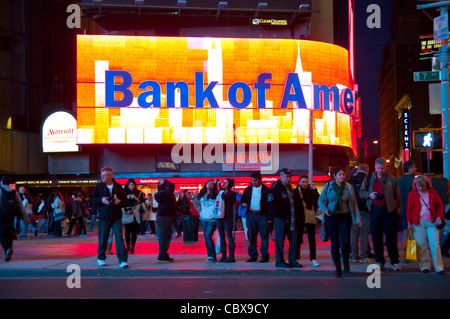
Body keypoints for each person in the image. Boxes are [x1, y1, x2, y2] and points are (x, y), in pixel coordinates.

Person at [360, 157, 402, 271]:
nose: (380, 170)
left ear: (386, 167)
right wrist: (370, 195)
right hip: (375, 210)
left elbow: (397, 195)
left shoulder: (391, 179)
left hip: (389, 211)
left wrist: (396, 206)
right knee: (376, 237)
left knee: (391, 238)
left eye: (382, 168)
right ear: (375, 167)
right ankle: (380, 261)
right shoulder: (369, 178)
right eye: (378, 168)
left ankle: (394, 261)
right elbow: (361, 192)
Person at [318, 167, 361, 277]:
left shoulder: (348, 187)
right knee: (335, 243)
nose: (342, 176)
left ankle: (345, 261)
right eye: (340, 174)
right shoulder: (329, 186)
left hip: (344, 217)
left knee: (346, 242)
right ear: (335, 176)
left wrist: (357, 217)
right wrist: (325, 210)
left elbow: (354, 204)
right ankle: (338, 268)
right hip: (331, 217)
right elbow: (321, 200)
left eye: (343, 174)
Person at [90, 166, 128, 269]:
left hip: (116, 216)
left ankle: (123, 260)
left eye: (105, 175)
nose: (102, 177)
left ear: (111, 175)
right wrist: (101, 200)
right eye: (101, 175)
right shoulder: (99, 187)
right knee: (103, 238)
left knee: (119, 238)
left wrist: (119, 201)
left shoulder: (118, 187)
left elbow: (125, 201)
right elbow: (92, 199)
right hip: (104, 216)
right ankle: (101, 258)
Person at [406, 175, 445, 274]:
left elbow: (440, 206)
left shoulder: (433, 192)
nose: (420, 188)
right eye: (419, 186)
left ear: (426, 185)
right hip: (418, 223)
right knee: (421, 245)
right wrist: (409, 223)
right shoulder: (412, 194)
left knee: (434, 244)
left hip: (432, 222)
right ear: (416, 185)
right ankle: (424, 266)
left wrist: (439, 216)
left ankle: (439, 267)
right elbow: (409, 209)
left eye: (422, 186)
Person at [267, 168, 304, 268]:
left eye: (289, 176)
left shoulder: (290, 188)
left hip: (292, 219)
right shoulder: (276, 187)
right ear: (281, 176)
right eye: (286, 176)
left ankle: (292, 260)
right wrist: (280, 214)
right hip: (281, 219)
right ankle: (279, 261)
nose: (288, 178)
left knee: (294, 239)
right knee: (280, 240)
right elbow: (271, 203)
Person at [241, 171, 270, 263]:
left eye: (255, 180)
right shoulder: (248, 189)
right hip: (251, 214)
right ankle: (253, 255)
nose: (253, 182)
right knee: (251, 236)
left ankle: (265, 256)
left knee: (264, 236)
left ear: (260, 180)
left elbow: (269, 204)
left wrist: (269, 217)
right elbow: (243, 200)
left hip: (262, 215)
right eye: (252, 180)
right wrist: (243, 204)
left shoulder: (266, 189)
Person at [0, 175, 30, 261]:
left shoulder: (1, 190)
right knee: (10, 232)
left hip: (2, 215)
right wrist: (25, 216)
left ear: (1, 182)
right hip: (12, 215)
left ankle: (7, 249)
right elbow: (20, 205)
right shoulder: (15, 192)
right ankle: (9, 249)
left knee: (1, 233)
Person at [348, 163, 372, 263]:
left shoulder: (350, 181)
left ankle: (354, 256)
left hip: (353, 210)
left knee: (354, 234)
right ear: (367, 171)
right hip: (364, 210)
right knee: (364, 234)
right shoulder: (368, 180)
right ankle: (363, 256)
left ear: (358, 170)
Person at [296, 175, 320, 267]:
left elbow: (317, 200)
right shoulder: (296, 191)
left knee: (311, 239)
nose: (304, 183)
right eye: (302, 182)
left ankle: (313, 259)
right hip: (299, 217)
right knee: (298, 239)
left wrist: (315, 190)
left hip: (309, 216)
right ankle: (296, 258)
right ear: (299, 182)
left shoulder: (312, 191)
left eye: (306, 182)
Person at [397, 160, 417, 262]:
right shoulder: (415, 180)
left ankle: (406, 256)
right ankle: (411, 254)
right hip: (414, 210)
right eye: (414, 167)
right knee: (414, 232)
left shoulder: (399, 181)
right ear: (409, 169)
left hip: (403, 209)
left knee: (406, 231)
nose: (416, 169)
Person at [154, 179, 176, 262]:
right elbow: (172, 185)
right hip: (166, 217)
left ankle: (163, 254)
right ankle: (162, 255)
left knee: (164, 237)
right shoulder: (166, 193)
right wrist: (165, 181)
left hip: (162, 217)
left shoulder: (158, 194)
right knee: (165, 237)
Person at [197, 179, 219, 263]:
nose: (209, 184)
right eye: (208, 182)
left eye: (212, 183)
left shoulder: (215, 195)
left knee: (208, 236)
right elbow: (195, 202)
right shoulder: (201, 194)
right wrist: (200, 211)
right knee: (207, 237)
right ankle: (210, 255)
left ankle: (212, 256)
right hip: (203, 219)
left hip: (212, 219)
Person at [216, 178, 237, 263]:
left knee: (229, 236)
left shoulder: (232, 193)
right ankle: (223, 255)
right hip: (219, 217)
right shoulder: (221, 192)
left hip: (227, 217)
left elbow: (224, 197)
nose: (223, 184)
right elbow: (214, 195)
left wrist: (220, 187)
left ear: (230, 184)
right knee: (221, 236)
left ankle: (231, 256)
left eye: (225, 182)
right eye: (223, 182)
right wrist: (216, 185)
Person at [123, 179, 144, 253]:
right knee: (127, 231)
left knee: (134, 231)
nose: (131, 187)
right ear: (127, 186)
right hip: (127, 214)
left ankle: (133, 247)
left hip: (135, 214)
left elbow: (142, 203)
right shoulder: (124, 193)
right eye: (130, 185)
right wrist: (126, 198)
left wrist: (136, 198)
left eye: (133, 185)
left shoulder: (139, 193)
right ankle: (128, 246)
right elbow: (122, 203)